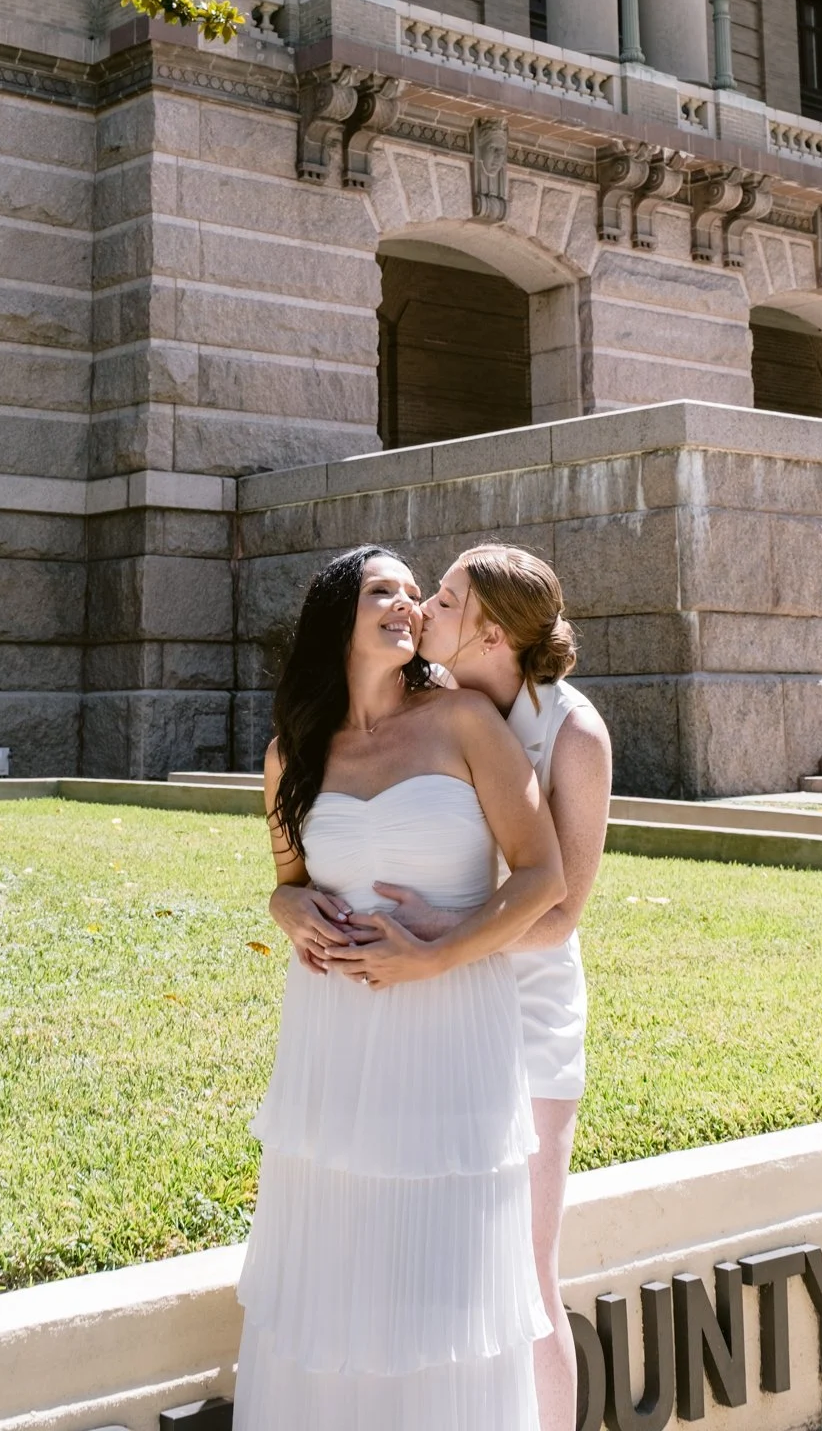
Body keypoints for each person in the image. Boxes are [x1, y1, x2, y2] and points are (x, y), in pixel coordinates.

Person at [235, 544, 567, 1431]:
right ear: (335, 615)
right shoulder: (292, 753)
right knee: (341, 1265)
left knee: (440, 1268)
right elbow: (286, 880)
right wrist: (288, 909)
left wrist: (435, 954)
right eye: (384, 590)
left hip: (451, 1028)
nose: (409, 605)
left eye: (418, 595)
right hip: (333, 1042)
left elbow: (542, 877)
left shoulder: (463, 722)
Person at [392, 544, 613, 1431]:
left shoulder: (573, 732)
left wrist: (444, 937)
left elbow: (559, 915)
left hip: (526, 1016)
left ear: (488, 631)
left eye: (443, 599)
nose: (424, 609)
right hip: (436, 1002)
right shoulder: (434, 705)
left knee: (525, 1268)